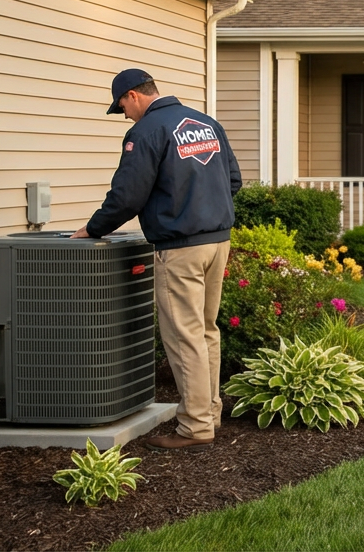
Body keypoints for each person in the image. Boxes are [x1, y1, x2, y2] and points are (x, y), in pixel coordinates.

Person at [73, 69, 242, 450]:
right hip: (218, 242)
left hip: (180, 247)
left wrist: (93, 229)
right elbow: (233, 181)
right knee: (205, 330)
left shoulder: (148, 131)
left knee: (184, 336)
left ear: (132, 95)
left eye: (122, 107)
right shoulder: (206, 123)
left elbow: (127, 196)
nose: (125, 115)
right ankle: (209, 413)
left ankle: (196, 428)